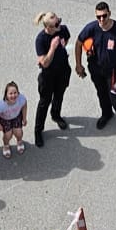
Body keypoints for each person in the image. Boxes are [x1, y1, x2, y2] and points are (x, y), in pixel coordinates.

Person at [73, 0, 116, 147]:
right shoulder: (91, 28)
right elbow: (79, 43)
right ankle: (107, 113)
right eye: (98, 16)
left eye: (104, 16)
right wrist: (79, 65)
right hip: (96, 69)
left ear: (109, 14)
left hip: (113, 71)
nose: (101, 19)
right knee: (101, 93)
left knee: (115, 98)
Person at [33, 10, 72, 144]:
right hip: (48, 76)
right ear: (48, 27)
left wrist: (62, 44)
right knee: (44, 102)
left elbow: (66, 38)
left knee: (59, 95)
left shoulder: (62, 29)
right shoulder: (40, 40)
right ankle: (38, 130)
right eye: (56, 24)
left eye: (59, 21)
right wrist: (52, 48)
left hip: (63, 71)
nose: (59, 25)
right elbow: (44, 63)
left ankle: (56, 115)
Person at [0, 81, 27, 157]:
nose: (13, 95)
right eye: (10, 93)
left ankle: (19, 141)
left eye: (15, 93)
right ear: (6, 95)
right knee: (8, 135)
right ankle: (6, 145)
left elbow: (24, 105)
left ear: (18, 93)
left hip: (16, 116)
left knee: (19, 133)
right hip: (5, 119)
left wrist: (24, 118)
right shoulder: (1, 105)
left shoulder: (21, 99)